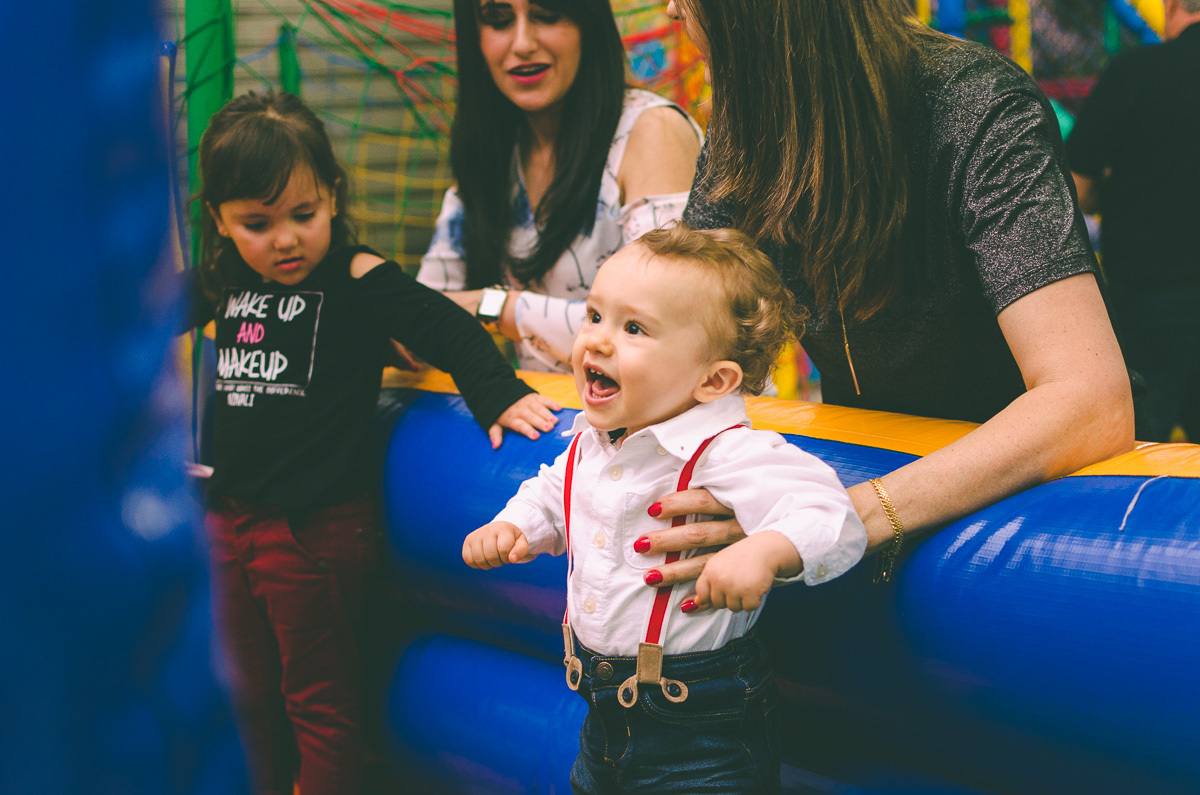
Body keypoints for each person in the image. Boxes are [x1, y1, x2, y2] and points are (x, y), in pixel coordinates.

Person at [637, 0, 1135, 598]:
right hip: (869, 459)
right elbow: (684, 323)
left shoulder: (974, 106)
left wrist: (840, 519)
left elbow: (1090, 399)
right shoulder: (752, 122)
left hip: (1032, 505)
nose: (670, 9)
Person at [183, 90, 559, 795]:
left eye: (304, 214)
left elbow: (446, 327)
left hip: (312, 529)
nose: (286, 239)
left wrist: (499, 392)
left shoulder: (357, 277)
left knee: (317, 701)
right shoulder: (226, 278)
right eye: (257, 223)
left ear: (333, 195)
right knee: (244, 691)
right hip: (229, 522)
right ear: (221, 222)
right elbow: (152, 307)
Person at [463, 224, 867, 792]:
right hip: (603, 708)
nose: (598, 342)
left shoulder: (727, 453)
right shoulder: (594, 439)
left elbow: (833, 515)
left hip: (703, 721)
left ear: (713, 379)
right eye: (594, 316)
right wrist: (516, 524)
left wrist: (767, 550)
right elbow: (555, 491)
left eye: (634, 329)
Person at [416, 0, 702, 372]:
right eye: (499, 20)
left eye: (547, 14)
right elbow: (424, 309)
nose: (523, 43)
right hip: (561, 423)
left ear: (589, 23)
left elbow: (655, 333)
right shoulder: (493, 151)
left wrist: (495, 307)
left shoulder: (652, 131)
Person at [1067, 0, 1200, 442]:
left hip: (1151, 297)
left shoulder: (1134, 71)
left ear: (1171, 7)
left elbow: (1076, 188)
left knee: (1143, 446)